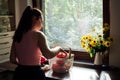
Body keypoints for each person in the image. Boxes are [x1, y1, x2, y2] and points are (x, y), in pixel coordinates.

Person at [10, 6, 65, 80]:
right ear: (35, 19)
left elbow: (12, 59)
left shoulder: (18, 35)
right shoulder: (38, 34)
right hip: (34, 75)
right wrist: (59, 48)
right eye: (41, 21)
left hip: (19, 74)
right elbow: (48, 54)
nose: (42, 25)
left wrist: (25, 65)